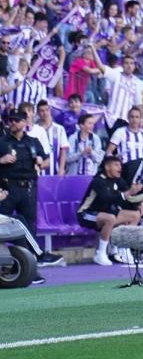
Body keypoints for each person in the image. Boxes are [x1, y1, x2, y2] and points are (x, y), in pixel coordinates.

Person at [0, 110, 61, 275]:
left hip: (28, 188)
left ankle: (27, 265)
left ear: (24, 122)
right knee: (6, 226)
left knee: (27, 225)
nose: (13, 123)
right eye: (10, 120)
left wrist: (42, 162)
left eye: (16, 120)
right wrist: (2, 160)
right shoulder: (2, 141)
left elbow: (47, 160)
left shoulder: (32, 141)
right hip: (7, 188)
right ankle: (20, 261)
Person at [77, 155, 143, 266]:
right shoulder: (98, 180)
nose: (120, 168)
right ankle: (101, 253)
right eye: (116, 165)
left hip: (105, 215)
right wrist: (128, 193)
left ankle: (123, 249)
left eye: (120, 165)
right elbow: (107, 198)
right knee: (110, 218)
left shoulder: (118, 180)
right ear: (107, 167)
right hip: (86, 214)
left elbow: (129, 198)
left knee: (135, 215)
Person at [36, 100, 69, 176]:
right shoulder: (34, 129)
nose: (45, 113)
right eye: (42, 111)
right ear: (38, 113)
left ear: (50, 111)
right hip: (39, 173)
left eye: (47, 110)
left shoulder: (59, 129)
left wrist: (61, 168)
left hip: (56, 171)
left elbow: (63, 150)